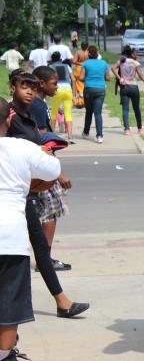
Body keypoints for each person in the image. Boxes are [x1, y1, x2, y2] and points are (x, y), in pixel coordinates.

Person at [7, 70, 89, 318]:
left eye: (33, 86)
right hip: (14, 194)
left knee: (40, 247)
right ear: (13, 87)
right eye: (24, 86)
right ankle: (60, 302)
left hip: (28, 190)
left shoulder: (28, 115)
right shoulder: (9, 117)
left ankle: (62, 301)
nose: (29, 91)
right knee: (27, 249)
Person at [0, 96, 61, 361]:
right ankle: (3, 358)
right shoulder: (22, 147)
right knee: (9, 301)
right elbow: (53, 171)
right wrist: (45, 153)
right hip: (11, 234)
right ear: (9, 120)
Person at [30, 65, 73, 270]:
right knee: (50, 212)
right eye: (54, 83)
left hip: (37, 166)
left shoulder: (38, 104)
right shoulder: (37, 105)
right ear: (41, 83)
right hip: (41, 168)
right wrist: (57, 172)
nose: (57, 87)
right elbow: (41, 141)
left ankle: (43, 259)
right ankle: (44, 261)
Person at [111, 46, 144, 135]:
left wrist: (120, 78)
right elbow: (141, 75)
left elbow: (112, 68)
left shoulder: (121, 61)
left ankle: (127, 129)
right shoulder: (135, 63)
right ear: (131, 53)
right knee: (136, 108)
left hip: (124, 87)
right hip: (133, 87)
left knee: (125, 109)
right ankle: (140, 128)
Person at [78, 45, 109, 143]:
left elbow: (81, 77)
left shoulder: (86, 63)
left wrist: (88, 77)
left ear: (89, 54)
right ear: (97, 53)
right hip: (100, 90)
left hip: (89, 89)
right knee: (98, 113)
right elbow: (108, 78)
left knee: (89, 112)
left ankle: (86, 132)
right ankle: (99, 136)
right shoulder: (104, 63)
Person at [49, 52, 77, 139]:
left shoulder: (50, 67)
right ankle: (70, 135)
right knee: (68, 114)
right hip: (68, 89)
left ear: (52, 59)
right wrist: (74, 94)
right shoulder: (67, 66)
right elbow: (73, 79)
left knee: (53, 113)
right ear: (60, 58)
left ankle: (52, 134)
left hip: (57, 89)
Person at [72, 42, 89, 109]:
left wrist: (80, 63)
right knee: (85, 85)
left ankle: (79, 102)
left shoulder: (78, 52)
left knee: (78, 87)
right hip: (86, 69)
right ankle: (85, 101)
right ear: (87, 47)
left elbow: (73, 61)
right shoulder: (89, 52)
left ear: (81, 46)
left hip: (79, 69)